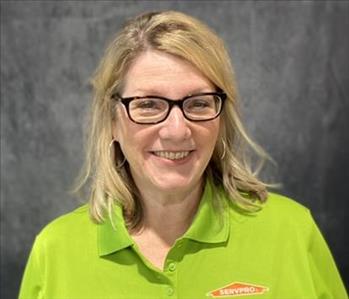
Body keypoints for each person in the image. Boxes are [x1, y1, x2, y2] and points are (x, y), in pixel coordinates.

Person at [19, 11, 347, 299]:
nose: (177, 130)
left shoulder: (291, 231)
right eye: (148, 104)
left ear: (221, 118)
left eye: (199, 103)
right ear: (113, 122)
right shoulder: (56, 250)